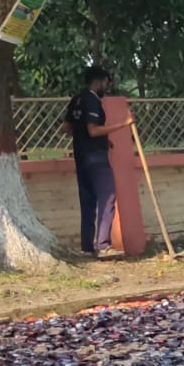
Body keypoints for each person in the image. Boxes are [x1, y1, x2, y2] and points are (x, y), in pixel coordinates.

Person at [62, 67, 132, 258]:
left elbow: (66, 128)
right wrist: (124, 124)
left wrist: (99, 139)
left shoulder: (76, 99)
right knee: (107, 197)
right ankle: (103, 245)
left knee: (88, 202)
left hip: (81, 156)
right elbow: (93, 130)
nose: (106, 87)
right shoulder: (92, 100)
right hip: (96, 157)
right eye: (106, 83)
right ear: (98, 81)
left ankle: (87, 247)